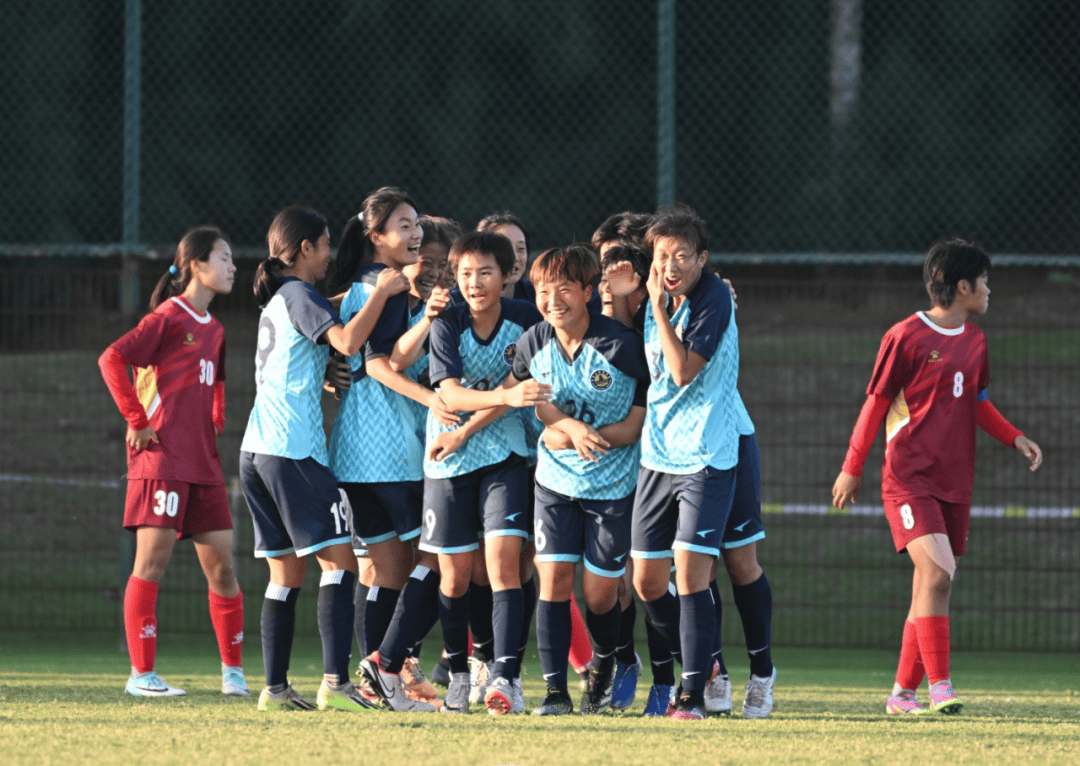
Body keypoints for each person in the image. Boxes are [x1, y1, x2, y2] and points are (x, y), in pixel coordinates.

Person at [833, 237, 1042, 716]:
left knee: (931, 582)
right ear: (962, 286)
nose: (989, 289)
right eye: (984, 280)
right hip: (909, 479)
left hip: (954, 481)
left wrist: (1014, 437)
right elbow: (875, 405)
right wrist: (851, 467)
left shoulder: (976, 341)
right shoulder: (905, 336)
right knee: (939, 572)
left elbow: (978, 404)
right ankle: (941, 685)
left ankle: (901, 694)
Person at [239, 205, 405, 713]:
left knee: (284, 576)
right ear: (305, 248)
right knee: (340, 564)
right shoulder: (299, 293)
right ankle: (336, 684)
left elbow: (327, 319)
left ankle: (275, 690)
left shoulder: (283, 298)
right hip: (293, 450)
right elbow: (348, 341)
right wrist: (380, 292)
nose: (331, 253)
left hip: (257, 449)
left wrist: (357, 298)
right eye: (326, 243)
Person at [99, 226, 246, 698]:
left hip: (203, 464)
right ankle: (141, 675)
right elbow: (112, 358)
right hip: (161, 460)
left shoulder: (216, 329)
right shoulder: (167, 316)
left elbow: (216, 380)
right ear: (196, 264)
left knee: (223, 568)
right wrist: (136, 418)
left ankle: (233, 674)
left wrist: (217, 414)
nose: (233, 267)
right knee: (152, 563)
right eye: (224, 258)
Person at [325, 189, 454, 713]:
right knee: (440, 558)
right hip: (392, 452)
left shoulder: (366, 283)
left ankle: (377, 680)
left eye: (416, 222)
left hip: (353, 453)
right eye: (404, 224)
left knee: (388, 571)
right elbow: (380, 363)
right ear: (375, 235)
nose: (415, 232)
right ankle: (390, 668)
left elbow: (358, 351)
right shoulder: (388, 284)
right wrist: (431, 398)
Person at [413, 229, 552, 714]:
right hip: (449, 458)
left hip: (505, 454)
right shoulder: (447, 321)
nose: (474, 283)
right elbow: (450, 393)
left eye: (485, 273)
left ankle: (506, 677)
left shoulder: (526, 318)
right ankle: (458, 673)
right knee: (454, 576)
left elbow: (520, 389)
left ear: (507, 274)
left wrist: (490, 411)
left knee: (503, 566)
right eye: (466, 273)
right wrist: (503, 396)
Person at [510, 245, 650, 716]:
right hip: (554, 484)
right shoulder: (533, 343)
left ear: (588, 292)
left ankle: (603, 671)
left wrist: (583, 437)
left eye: (565, 289)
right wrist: (568, 428)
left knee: (600, 594)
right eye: (544, 290)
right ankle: (556, 693)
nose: (553, 300)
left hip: (612, 488)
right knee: (552, 582)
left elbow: (634, 427)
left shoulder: (622, 346)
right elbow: (539, 404)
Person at [630, 203, 742, 721]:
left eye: (681, 255)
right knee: (647, 582)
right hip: (657, 456)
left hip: (705, 455)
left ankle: (692, 695)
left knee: (693, 575)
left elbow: (680, 371)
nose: (670, 265)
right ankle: (706, 663)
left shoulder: (713, 297)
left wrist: (655, 307)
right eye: (661, 255)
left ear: (702, 259)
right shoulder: (653, 296)